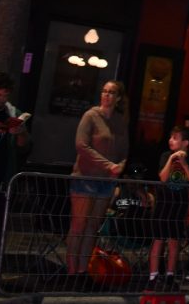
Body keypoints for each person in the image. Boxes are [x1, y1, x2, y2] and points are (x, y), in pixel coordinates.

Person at [66, 80, 129, 287]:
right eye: (104, 91)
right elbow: (81, 145)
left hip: (106, 180)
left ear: (118, 98)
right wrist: (108, 165)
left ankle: (83, 271)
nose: (107, 95)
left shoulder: (120, 121)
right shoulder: (91, 115)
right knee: (79, 225)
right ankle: (71, 271)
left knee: (92, 226)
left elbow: (124, 151)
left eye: (111, 92)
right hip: (86, 176)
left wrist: (119, 167)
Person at [146, 126, 189, 293]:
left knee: (174, 241)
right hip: (163, 203)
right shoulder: (165, 156)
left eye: (175, 138)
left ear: (185, 143)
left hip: (179, 205)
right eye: (170, 137)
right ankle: (153, 277)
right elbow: (162, 177)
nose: (171, 140)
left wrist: (184, 164)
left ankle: (170, 276)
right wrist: (171, 159)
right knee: (158, 240)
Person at [0, 71, 30, 185]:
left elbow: (23, 148)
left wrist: (22, 133)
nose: (2, 99)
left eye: (5, 95)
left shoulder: (13, 113)